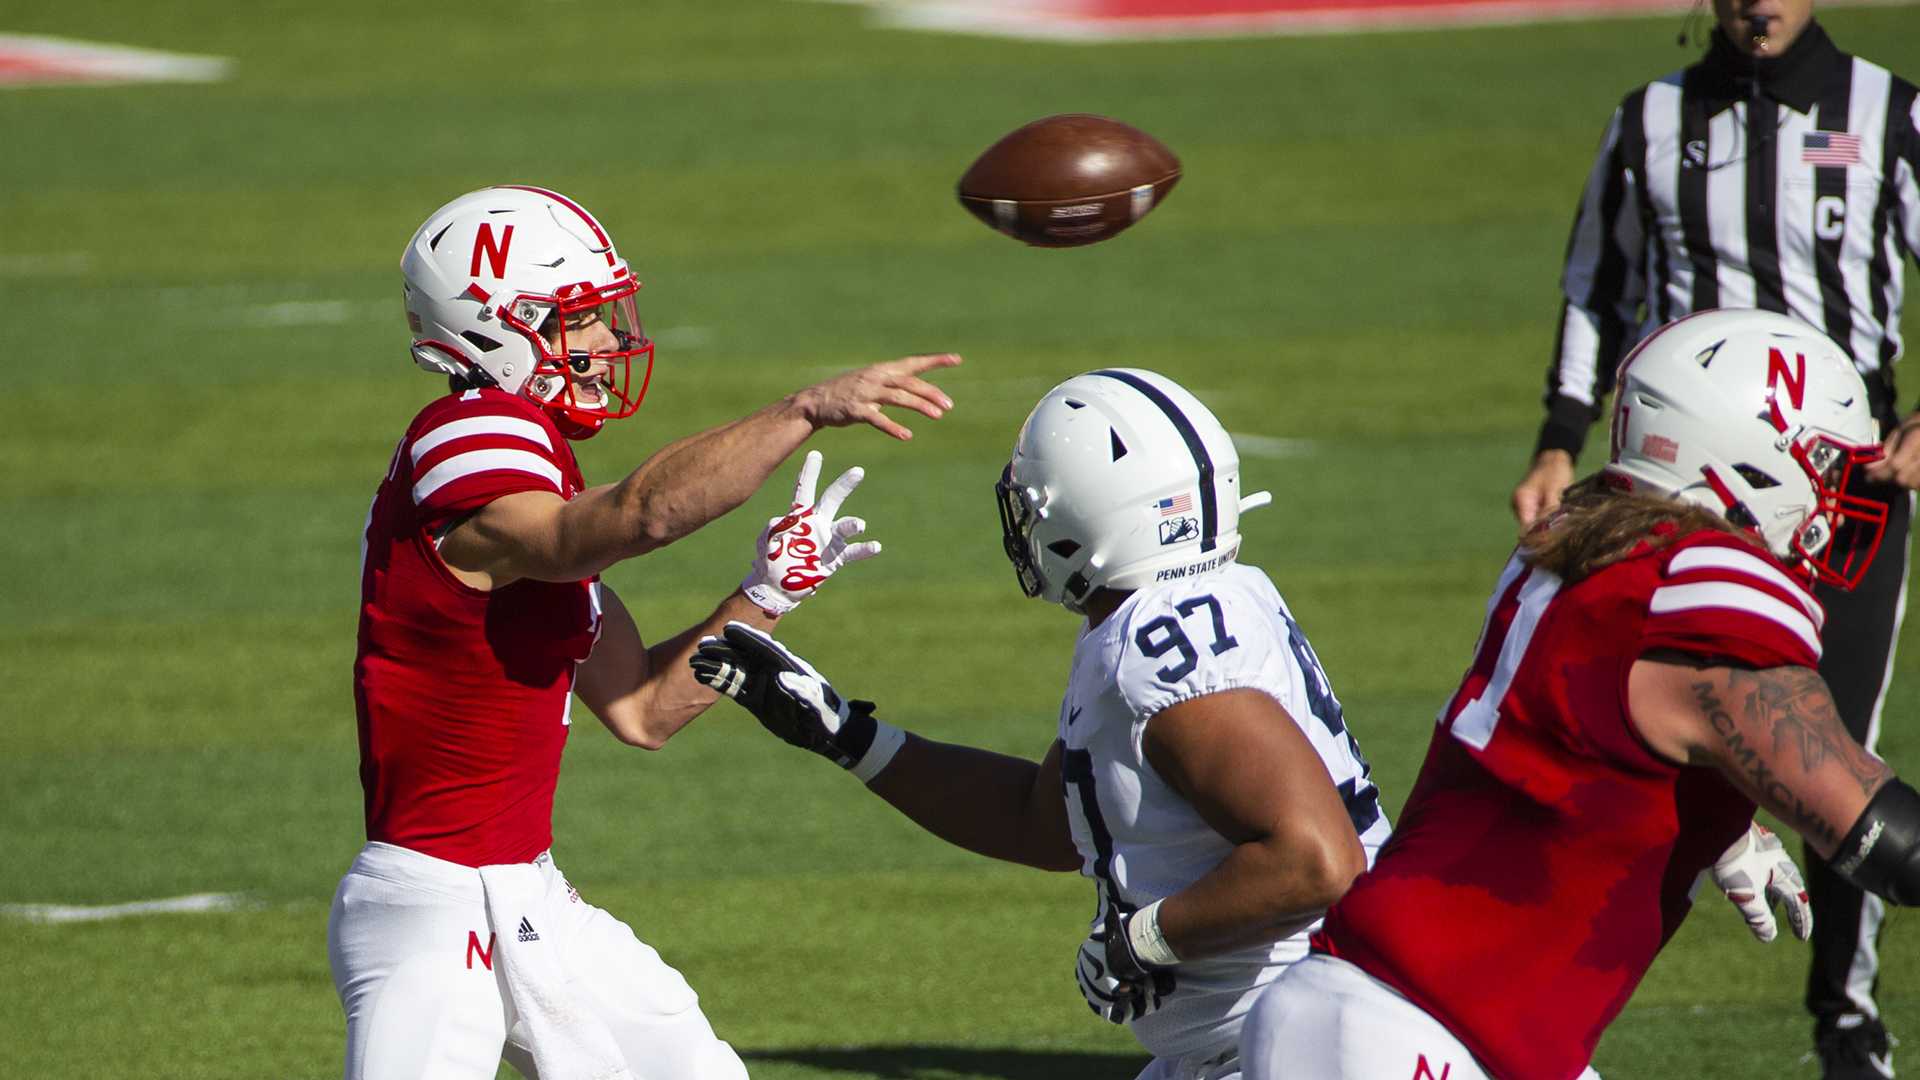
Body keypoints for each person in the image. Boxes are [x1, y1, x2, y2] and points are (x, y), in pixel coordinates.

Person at [327, 184, 960, 1080]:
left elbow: (646, 711)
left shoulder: (531, 506)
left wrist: (766, 591)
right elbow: (640, 515)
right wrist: (803, 411)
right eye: (573, 319)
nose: (605, 343)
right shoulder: (467, 432)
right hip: (434, 899)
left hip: (525, 890)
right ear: (488, 328)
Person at [1243, 309, 1919, 1080]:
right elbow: (1889, 842)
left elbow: (1581, 734)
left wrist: (1712, 827)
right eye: (1824, 468)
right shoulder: (1707, 602)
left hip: (1397, 1015)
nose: (1833, 500)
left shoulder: (1600, 544)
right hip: (1417, 1033)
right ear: (1751, 462)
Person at [689, 369, 1394, 1080]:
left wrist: (1143, 941)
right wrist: (847, 736)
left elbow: (1314, 861)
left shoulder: (1153, 653)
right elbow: (1044, 820)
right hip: (1280, 1029)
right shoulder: (1196, 602)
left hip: (1299, 1045)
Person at [1509, 1, 1920, 1070]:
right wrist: (1559, 437)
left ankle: (1846, 1018)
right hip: (1675, 486)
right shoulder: (1648, 120)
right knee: (1620, 727)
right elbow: (1591, 284)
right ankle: (1538, 1001)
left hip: (1846, 486)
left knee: (1830, 752)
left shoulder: (1890, 113)